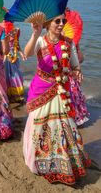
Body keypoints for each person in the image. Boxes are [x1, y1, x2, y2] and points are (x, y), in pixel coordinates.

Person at [23, 14, 91, 185]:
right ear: (48, 23)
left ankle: (63, 163)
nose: (61, 24)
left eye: (63, 21)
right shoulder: (41, 41)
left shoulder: (68, 43)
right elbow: (27, 53)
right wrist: (35, 33)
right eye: (57, 21)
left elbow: (75, 66)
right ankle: (41, 162)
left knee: (64, 127)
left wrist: (77, 72)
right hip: (42, 89)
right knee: (39, 126)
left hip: (61, 91)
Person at [4, 25, 26, 103]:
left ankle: (17, 94)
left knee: (17, 75)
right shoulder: (2, 30)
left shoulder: (17, 30)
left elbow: (17, 45)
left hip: (15, 57)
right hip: (6, 58)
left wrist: (22, 53)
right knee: (7, 75)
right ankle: (8, 94)